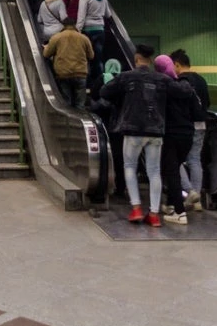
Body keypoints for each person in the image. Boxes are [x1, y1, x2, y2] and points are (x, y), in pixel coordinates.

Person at [100, 44, 194, 227]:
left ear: (136, 59)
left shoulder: (126, 77)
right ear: (151, 60)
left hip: (133, 129)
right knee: (154, 171)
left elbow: (104, 92)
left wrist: (123, 100)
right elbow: (184, 91)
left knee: (129, 166)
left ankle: (136, 208)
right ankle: (153, 214)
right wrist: (184, 80)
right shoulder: (161, 79)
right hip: (156, 131)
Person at [155, 54, 205, 225]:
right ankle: (185, 201)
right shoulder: (190, 86)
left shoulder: (164, 87)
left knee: (172, 171)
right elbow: (199, 108)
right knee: (187, 163)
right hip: (190, 132)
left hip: (170, 133)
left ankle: (179, 210)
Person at [170, 49, 209, 210]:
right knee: (195, 160)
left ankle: (189, 191)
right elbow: (208, 102)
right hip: (201, 124)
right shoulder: (201, 80)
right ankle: (197, 200)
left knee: (174, 160)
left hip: (185, 126)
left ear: (177, 64)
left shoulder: (181, 81)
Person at [90, 58, 125, 198]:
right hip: (121, 125)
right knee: (121, 158)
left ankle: (104, 183)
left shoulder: (102, 78)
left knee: (104, 153)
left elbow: (93, 95)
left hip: (103, 122)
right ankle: (121, 187)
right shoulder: (124, 80)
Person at [42, 17, 93, 109]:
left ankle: (69, 119)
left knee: (66, 102)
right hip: (80, 73)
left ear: (63, 25)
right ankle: (81, 117)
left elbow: (46, 54)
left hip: (63, 73)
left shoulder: (56, 37)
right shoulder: (84, 38)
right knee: (80, 103)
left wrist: (46, 48)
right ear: (75, 25)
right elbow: (91, 56)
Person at [76, 0, 111, 80]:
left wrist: (78, 29)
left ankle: (88, 80)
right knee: (98, 58)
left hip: (88, 30)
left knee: (86, 57)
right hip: (100, 29)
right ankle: (100, 80)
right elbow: (108, 14)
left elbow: (81, 16)